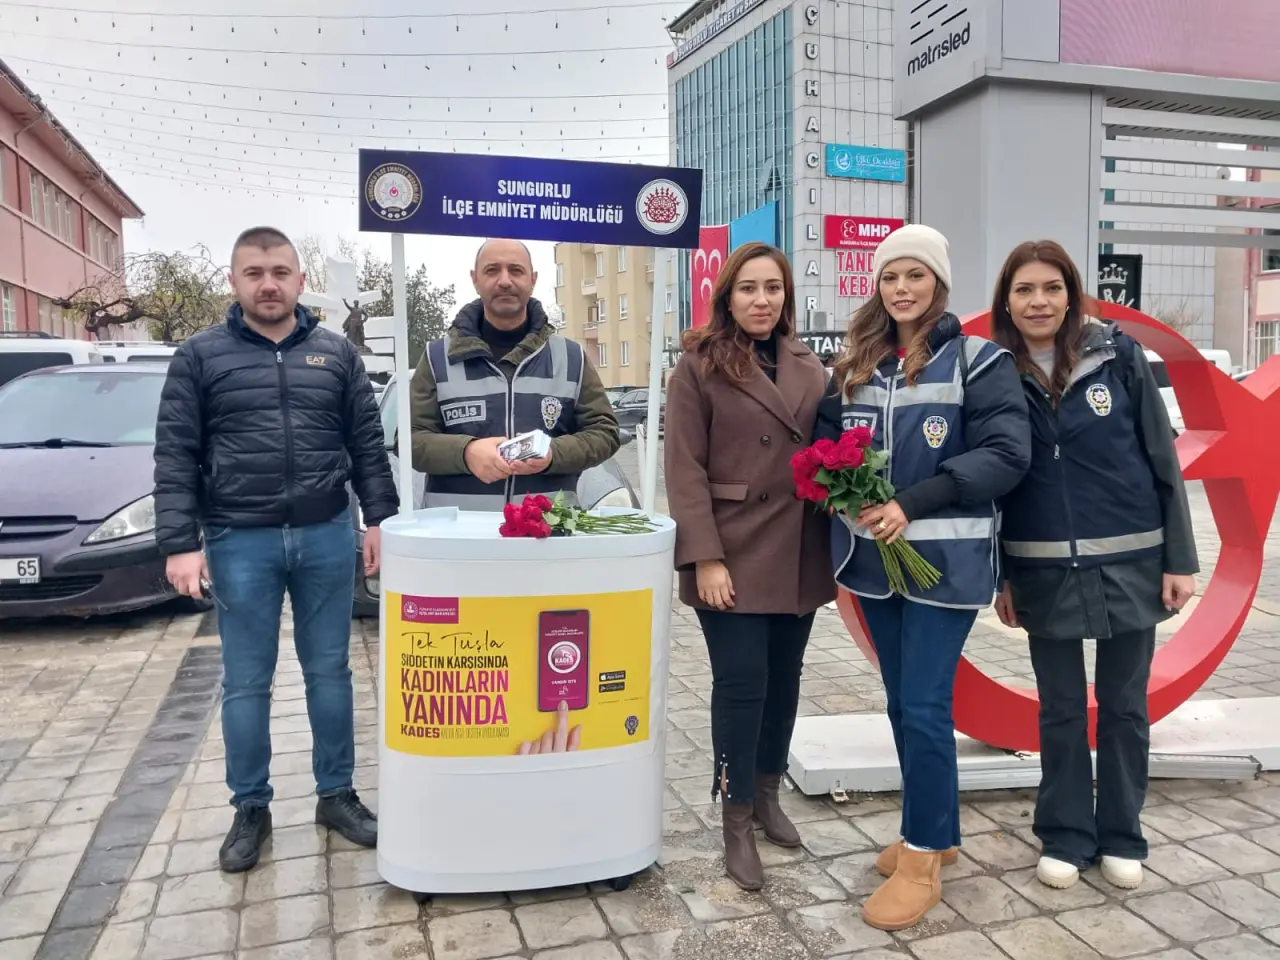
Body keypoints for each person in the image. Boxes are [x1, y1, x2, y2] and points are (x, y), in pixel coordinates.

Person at [154, 226, 398, 873]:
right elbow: (175, 453)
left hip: (324, 535)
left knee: (331, 674)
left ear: (298, 279)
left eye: (281, 272)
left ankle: (336, 794)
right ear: (234, 281)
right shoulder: (199, 357)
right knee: (246, 684)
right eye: (255, 272)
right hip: (239, 540)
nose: (269, 283)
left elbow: (367, 445)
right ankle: (250, 808)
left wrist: (381, 520)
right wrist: (181, 543)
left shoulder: (335, 354)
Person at [816, 224, 1030, 931]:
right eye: (889, 277)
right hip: (877, 570)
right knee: (901, 703)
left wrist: (913, 501)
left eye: (915, 275)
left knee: (925, 705)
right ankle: (936, 831)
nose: (901, 289)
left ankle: (924, 853)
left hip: (948, 565)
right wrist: (836, 483)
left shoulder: (979, 362)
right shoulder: (859, 368)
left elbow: (1005, 455)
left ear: (937, 284)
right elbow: (831, 450)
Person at [990, 240, 1197, 892]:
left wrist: (1180, 561)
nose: (1039, 301)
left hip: (1132, 562)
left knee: (1125, 707)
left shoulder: (1120, 358)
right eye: (1024, 290)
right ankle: (1065, 834)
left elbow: (1164, 461)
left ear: (1072, 294)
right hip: (1041, 568)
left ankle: (1122, 833)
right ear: (1008, 302)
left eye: (1051, 287)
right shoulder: (996, 374)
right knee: (1057, 710)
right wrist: (1002, 576)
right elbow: (995, 484)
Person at [664, 241, 835, 892]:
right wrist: (704, 556)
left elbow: (825, 449)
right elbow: (684, 469)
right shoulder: (699, 366)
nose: (762, 300)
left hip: (797, 552)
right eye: (749, 289)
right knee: (742, 686)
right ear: (727, 296)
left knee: (785, 682)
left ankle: (767, 797)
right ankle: (735, 818)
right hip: (731, 553)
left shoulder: (806, 363)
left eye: (773, 288)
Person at [409, 238, 620, 509]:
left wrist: (553, 454)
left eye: (516, 270)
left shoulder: (571, 357)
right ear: (475, 279)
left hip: (547, 535)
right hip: (457, 538)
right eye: (492, 270)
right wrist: (466, 452)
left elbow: (605, 432)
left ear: (533, 279)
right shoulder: (437, 358)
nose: (505, 280)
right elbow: (410, 440)